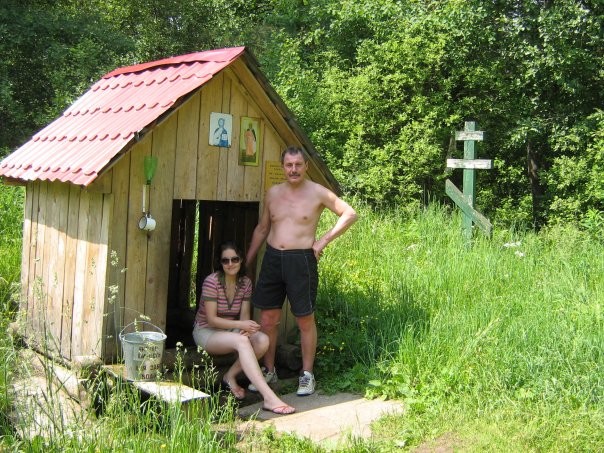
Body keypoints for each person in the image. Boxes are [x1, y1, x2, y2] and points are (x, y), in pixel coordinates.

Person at [245, 146, 357, 396]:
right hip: (273, 259)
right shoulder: (273, 193)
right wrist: (248, 262)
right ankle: (269, 370)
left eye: (298, 165)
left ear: (306, 166)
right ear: (283, 167)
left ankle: (306, 375)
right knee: (268, 319)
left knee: (304, 319)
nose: (293, 169)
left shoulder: (318, 192)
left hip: (301, 260)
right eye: (289, 165)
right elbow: (262, 229)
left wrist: (323, 241)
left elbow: (349, 214)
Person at [193, 241, 295, 415]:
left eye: (234, 259)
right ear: (220, 263)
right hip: (206, 331)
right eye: (225, 260)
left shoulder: (245, 283)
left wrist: (247, 329)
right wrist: (241, 326)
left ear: (241, 260)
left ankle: (230, 375)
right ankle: (269, 397)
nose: (230, 264)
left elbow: (244, 316)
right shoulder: (212, 281)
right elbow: (212, 320)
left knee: (262, 340)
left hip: (230, 331)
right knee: (241, 341)